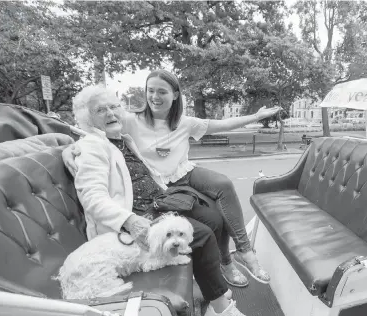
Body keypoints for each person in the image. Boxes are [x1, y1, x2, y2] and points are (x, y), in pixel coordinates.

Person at [64, 69, 281, 287]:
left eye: (162, 92)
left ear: (175, 95)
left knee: (222, 189)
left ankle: (242, 252)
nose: (155, 97)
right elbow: (92, 132)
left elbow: (220, 125)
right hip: (162, 185)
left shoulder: (184, 122)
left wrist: (255, 116)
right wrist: (68, 148)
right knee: (210, 218)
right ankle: (219, 269)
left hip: (180, 175)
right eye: (150, 91)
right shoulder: (128, 120)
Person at [70, 85, 246, 316]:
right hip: (137, 213)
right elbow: (92, 196)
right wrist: (130, 221)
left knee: (213, 216)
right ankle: (221, 307)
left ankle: (206, 284)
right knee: (202, 236)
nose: (111, 113)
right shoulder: (91, 146)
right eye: (101, 110)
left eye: (114, 106)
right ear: (87, 119)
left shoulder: (122, 139)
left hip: (159, 201)